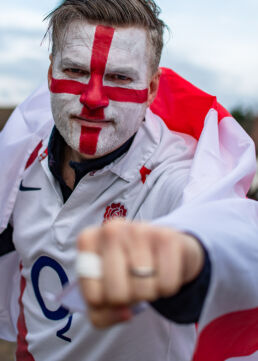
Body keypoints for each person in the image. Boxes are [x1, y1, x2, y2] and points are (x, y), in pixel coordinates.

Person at [0, 1, 257, 360]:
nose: (92, 100)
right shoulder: (19, 160)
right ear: (49, 76)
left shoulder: (175, 175)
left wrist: (188, 255)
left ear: (152, 90)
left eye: (119, 78)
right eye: (74, 71)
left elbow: (238, 230)